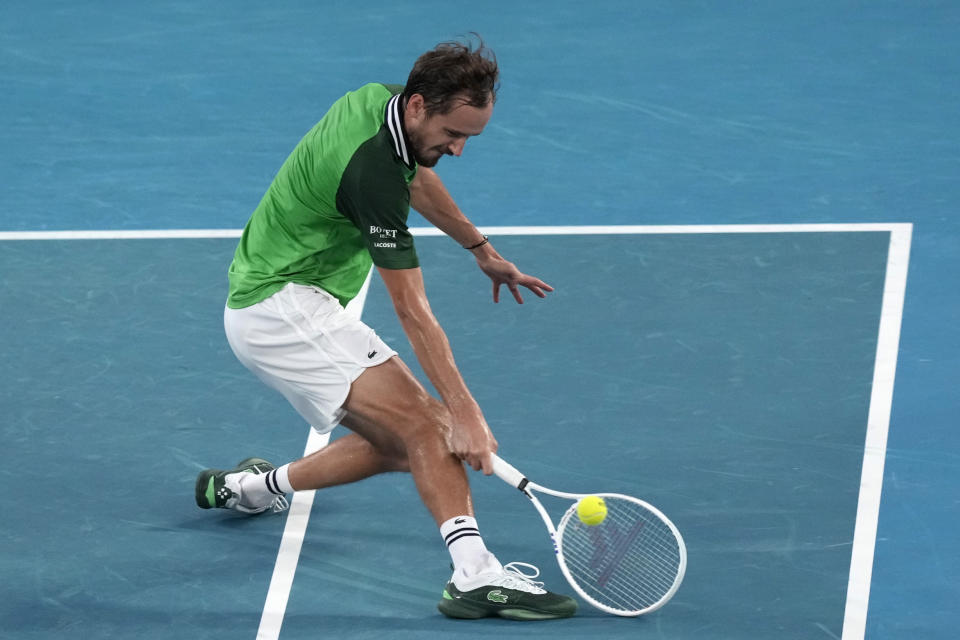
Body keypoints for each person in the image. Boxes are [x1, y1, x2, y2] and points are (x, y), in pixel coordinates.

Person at [193, 37, 577, 620]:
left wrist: (479, 247)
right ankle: (474, 574)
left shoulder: (384, 102)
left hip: (291, 299)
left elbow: (415, 177)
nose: (459, 149)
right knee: (431, 426)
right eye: (455, 135)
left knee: (403, 445)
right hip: (282, 309)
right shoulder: (369, 170)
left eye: (470, 137)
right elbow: (412, 310)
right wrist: (466, 413)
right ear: (421, 106)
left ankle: (249, 489)